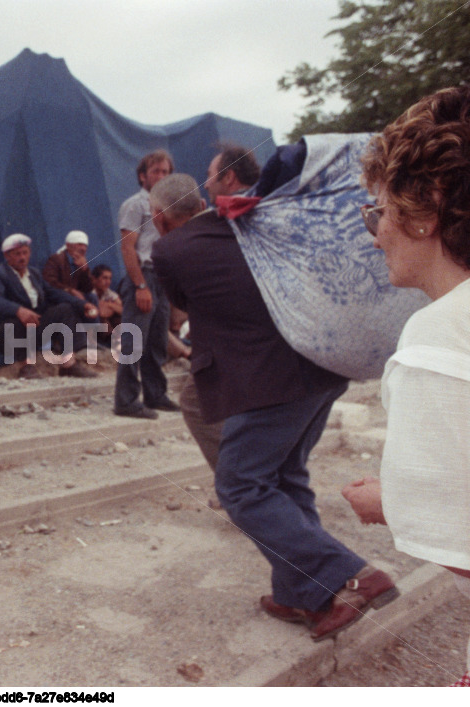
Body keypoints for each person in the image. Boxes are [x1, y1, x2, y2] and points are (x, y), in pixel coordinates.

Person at [152, 173, 397, 642]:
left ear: (160, 218)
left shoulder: (170, 249)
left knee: (240, 486)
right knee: (285, 478)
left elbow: (183, 302)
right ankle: (299, 593)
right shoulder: (250, 224)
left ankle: (351, 578)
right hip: (320, 366)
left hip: (268, 380)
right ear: (203, 200)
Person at [340, 85, 470, 686]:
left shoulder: (437, 336)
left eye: (380, 211)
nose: (375, 233)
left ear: (426, 209)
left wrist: (393, 503)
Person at [114, 149, 178, 420]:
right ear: (143, 176)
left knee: (158, 339)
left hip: (162, 276)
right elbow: (128, 248)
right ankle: (126, 400)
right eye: (156, 171)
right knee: (133, 339)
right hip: (143, 274)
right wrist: (140, 285)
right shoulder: (135, 205)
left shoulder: (169, 206)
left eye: (166, 172)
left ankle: (155, 393)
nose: (162, 176)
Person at [0, 233, 98, 379]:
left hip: (33, 329)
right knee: (13, 323)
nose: (22, 257)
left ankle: (68, 365)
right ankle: (26, 366)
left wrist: (83, 304)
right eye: (17, 254)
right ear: (7, 256)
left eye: (25, 252)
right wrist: (18, 310)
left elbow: (53, 293)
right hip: (5, 334)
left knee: (66, 309)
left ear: (30, 253)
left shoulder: (34, 274)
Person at [42, 230, 96, 305]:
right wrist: (70, 291)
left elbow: (88, 289)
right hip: (60, 297)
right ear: (68, 245)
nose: (83, 248)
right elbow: (49, 282)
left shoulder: (80, 262)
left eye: (85, 246)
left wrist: (85, 269)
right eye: (80, 244)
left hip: (75, 298)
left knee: (92, 297)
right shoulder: (56, 259)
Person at [91, 264, 122, 343]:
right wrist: (112, 307)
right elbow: (101, 312)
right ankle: (113, 340)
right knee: (102, 319)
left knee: (118, 318)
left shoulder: (108, 292)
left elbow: (123, 310)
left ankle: (119, 340)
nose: (108, 282)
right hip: (89, 325)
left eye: (110, 278)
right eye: (104, 278)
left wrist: (109, 305)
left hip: (104, 325)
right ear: (94, 279)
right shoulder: (89, 292)